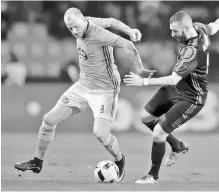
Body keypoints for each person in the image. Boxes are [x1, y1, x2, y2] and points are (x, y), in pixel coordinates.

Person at [14, 7, 155, 183]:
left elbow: (127, 44)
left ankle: (120, 160)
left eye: (76, 27)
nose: (74, 31)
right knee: (49, 119)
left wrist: (140, 69)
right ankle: (37, 161)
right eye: (70, 28)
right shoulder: (86, 20)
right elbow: (111, 21)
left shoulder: (99, 34)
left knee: (100, 135)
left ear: (82, 20)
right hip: (83, 86)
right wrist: (129, 29)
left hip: (105, 90)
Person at [124, 11, 219, 184]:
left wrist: (142, 82)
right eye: (171, 30)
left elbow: (174, 78)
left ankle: (152, 176)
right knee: (145, 117)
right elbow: (211, 27)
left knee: (159, 132)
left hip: (192, 96)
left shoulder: (193, 51)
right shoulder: (198, 28)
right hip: (176, 88)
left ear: (187, 28)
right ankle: (178, 146)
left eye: (175, 31)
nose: (172, 34)